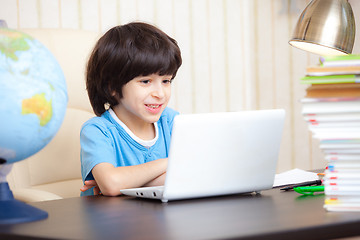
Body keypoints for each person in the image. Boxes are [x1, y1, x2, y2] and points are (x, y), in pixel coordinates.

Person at [80, 22, 182, 196]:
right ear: (112, 86)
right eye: (145, 81)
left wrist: (124, 184)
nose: (160, 93)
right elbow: (112, 184)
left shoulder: (172, 121)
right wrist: (172, 163)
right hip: (112, 221)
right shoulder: (97, 131)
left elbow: (195, 172)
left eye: (166, 81)